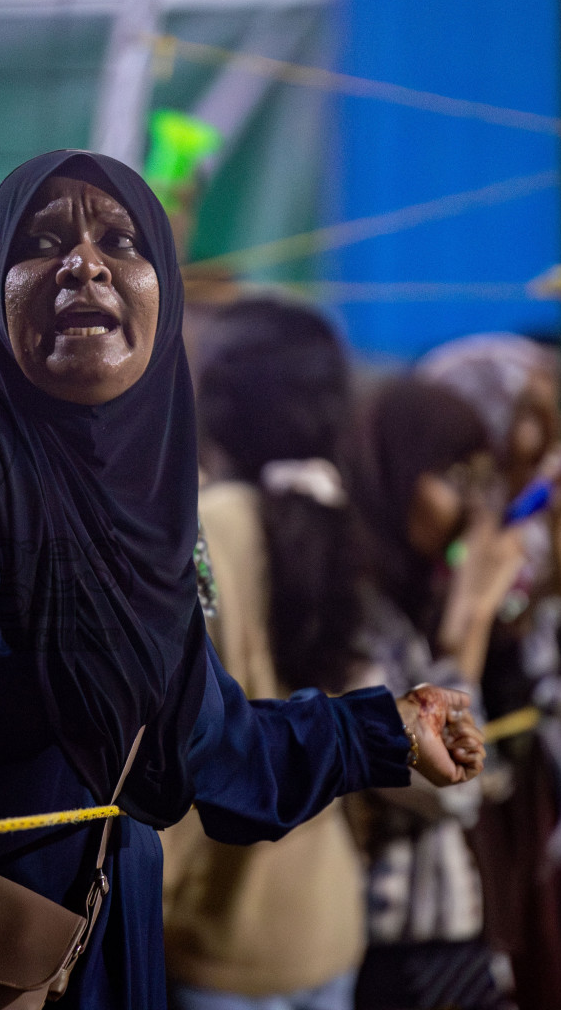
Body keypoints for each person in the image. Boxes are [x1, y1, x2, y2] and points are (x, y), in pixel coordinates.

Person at [0, 150, 485, 1008]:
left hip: (88, 960)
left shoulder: (144, 495)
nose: (84, 263)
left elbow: (207, 745)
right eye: (41, 242)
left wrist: (385, 732)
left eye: (123, 241)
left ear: (163, 296)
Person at [162, 296, 366, 1010]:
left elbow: (182, 729)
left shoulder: (206, 527)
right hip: (327, 916)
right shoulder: (340, 515)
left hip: (221, 930)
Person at [418, 334, 561, 1010]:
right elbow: (440, 737)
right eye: (525, 413)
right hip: (453, 833)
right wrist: (474, 605)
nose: (544, 437)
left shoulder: (521, 537)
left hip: (522, 812)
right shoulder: (438, 546)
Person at [347, 378, 525, 1010]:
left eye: (483, 479)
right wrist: (470, 622)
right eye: (453, 476)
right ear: (391, 474)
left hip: (464, 932)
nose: (476, 509)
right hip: (388, 950)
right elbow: (446, 790)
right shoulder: (351, 617)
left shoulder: (423, 599)